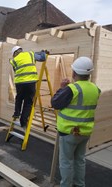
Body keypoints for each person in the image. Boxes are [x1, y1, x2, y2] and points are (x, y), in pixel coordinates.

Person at [51, 57, 100, 187]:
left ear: (74, 73)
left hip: (69, 132)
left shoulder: (71, 89)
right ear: (89, 74)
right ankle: (79, 184)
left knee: (66, 161)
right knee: (80, 160)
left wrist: (62, 88)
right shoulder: (95, 89)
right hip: (85, 132)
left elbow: (55, 103)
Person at [10, 46, 47, 128]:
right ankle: (23, 122)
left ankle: (16, 113)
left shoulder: (14, 60)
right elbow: (43, 58)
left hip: (19, 83)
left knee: (19, 98)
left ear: (14, 53)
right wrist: (43, 52)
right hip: (30, 82)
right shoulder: (30, 54)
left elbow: (16, 70)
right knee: (28, 102)